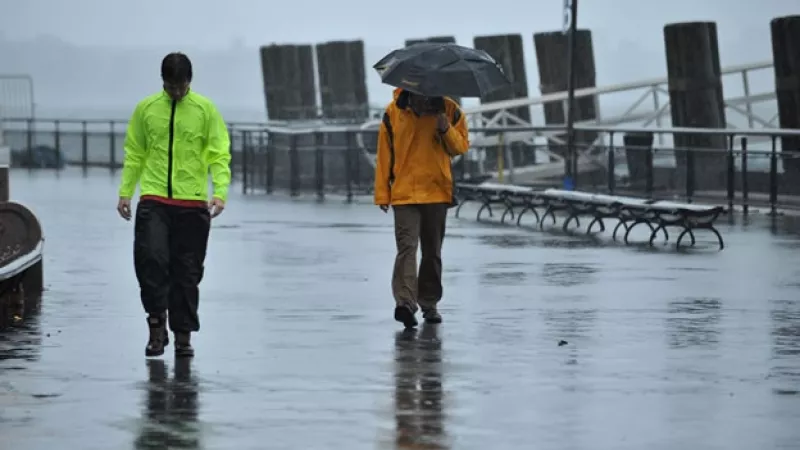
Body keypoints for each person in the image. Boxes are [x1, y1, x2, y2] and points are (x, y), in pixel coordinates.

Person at [116, 52, 231, 358]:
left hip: (192, 202)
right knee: (151, 261)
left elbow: (219, 153)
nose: (177, 92)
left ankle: (183, 335)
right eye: (171, 86)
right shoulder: (146, 109)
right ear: (163, 82)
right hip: (154, 199)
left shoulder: (205, 110)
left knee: (187, 272)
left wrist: (220, 192)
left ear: (189, 81)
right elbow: (134, 152)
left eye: (181, 86)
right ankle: (156, 327)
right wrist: (126, 192)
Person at [374, 88, 469, 328]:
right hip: (404, 193)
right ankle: (405, 303)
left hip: (436, 191)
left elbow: (460, 147)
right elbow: (385, 154)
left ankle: (429, 303)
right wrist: (383, 193)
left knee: (432, 251)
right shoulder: (393, 111)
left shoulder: (450, 109)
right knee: (406, 248)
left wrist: (445, 128)